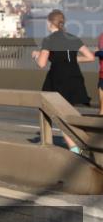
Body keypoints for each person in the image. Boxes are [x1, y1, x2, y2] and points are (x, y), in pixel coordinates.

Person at [33, 10, 95, 153]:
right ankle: (81, 142)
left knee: (56, 114)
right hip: (75, 78)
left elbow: (41, 64)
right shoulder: (73, 38)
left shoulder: (49, 40)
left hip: (57, 80)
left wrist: (35, 55)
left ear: (50, 23)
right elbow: (91, 57)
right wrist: (72, 60)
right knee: (70, 113)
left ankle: (74, 148)